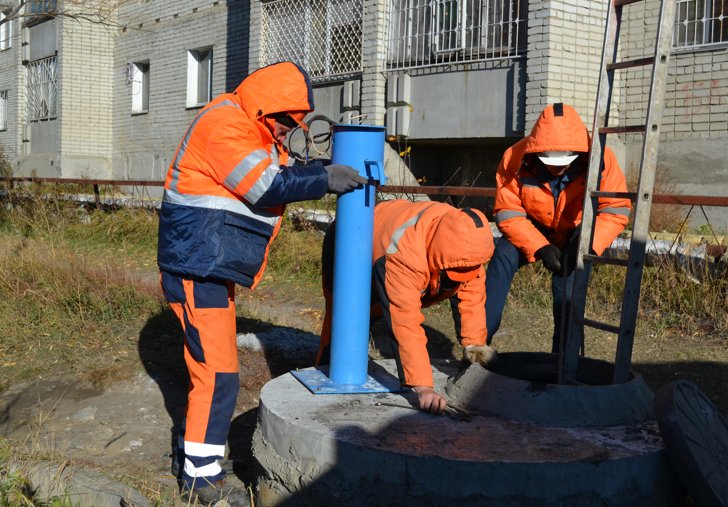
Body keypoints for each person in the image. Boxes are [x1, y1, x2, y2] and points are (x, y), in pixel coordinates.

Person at [157, 61, 366, 506]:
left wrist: (321, 170)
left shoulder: (251, 128)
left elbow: (280, 176)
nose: (287, 130)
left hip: (210, 267)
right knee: (217, 376)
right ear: (267, 107)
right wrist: (326, 177)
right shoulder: (225, 122)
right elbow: (265, 187)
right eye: (285, 120)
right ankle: (200, 479)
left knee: (216, 372)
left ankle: (200, 457)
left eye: (294, 123)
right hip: (197, 269)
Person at [318, 199, 497, 415]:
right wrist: (423, 387)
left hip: (389, 234)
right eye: (450, 274)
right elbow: (405, 322)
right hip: (351, 236)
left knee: (371, 315)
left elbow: (471, 297)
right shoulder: (404, 254)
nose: (457, 280)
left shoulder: (469, 248)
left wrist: (475, 348)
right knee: (349, 316)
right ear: (436, 252)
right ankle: (325, 371)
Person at [485, 103, 631, 353]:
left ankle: (566, 358)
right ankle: (478, 342)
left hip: (577, 233)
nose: (558, 167)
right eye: (550, 159)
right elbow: (508, 212)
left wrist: (588, 243)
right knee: (503, 256)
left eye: (565, 159)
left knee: (568, 294)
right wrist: (539, 247)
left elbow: (614, 210)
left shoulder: (601, 159)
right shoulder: (514, 158)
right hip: (532, 228)